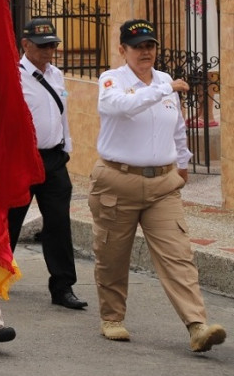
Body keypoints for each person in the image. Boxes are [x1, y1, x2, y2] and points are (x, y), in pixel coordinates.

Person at [91, 18, 226, 352]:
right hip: (117, 180)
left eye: (150, 46)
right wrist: (163, 89)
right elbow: (120, 107)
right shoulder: (112, 80)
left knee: (178, 253)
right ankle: (112, 317)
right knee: (112, 254)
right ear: (123, 50)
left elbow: (176, 125)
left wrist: (182, 162)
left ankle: (197, 325)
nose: (145, 52)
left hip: (161, 184)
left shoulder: (165, 81)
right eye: (138, 47)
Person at [8, 18, 86, 309]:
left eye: (52, 45)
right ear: (25, 45)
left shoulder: (56, 74)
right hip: (21, 158)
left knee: (58, 222)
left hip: (53, 158)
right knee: (10, 221)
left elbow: (61, 111)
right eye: (42, 46)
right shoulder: (13, 75)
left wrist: (66, 144)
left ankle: (63, 286)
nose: (48, 51)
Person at [152, 0, 219, 127]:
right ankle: (199, 113)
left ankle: (208, 115)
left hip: (204, 19)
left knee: (205, 64)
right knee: (195, 66)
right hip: (189, 20)